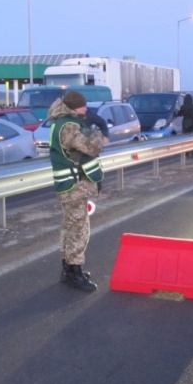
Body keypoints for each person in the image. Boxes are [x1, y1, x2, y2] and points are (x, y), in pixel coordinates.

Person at [49, 90, 109, 292]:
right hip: (75, 186)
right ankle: (74, 272)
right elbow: (93, 148)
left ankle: (69, 270)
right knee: (78, 230)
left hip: (70, 185)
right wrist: (96, 133)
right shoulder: (70, 126)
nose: (86, 109)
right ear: (75, 107)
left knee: (69, 227)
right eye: (83, 106)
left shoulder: (61, 123)